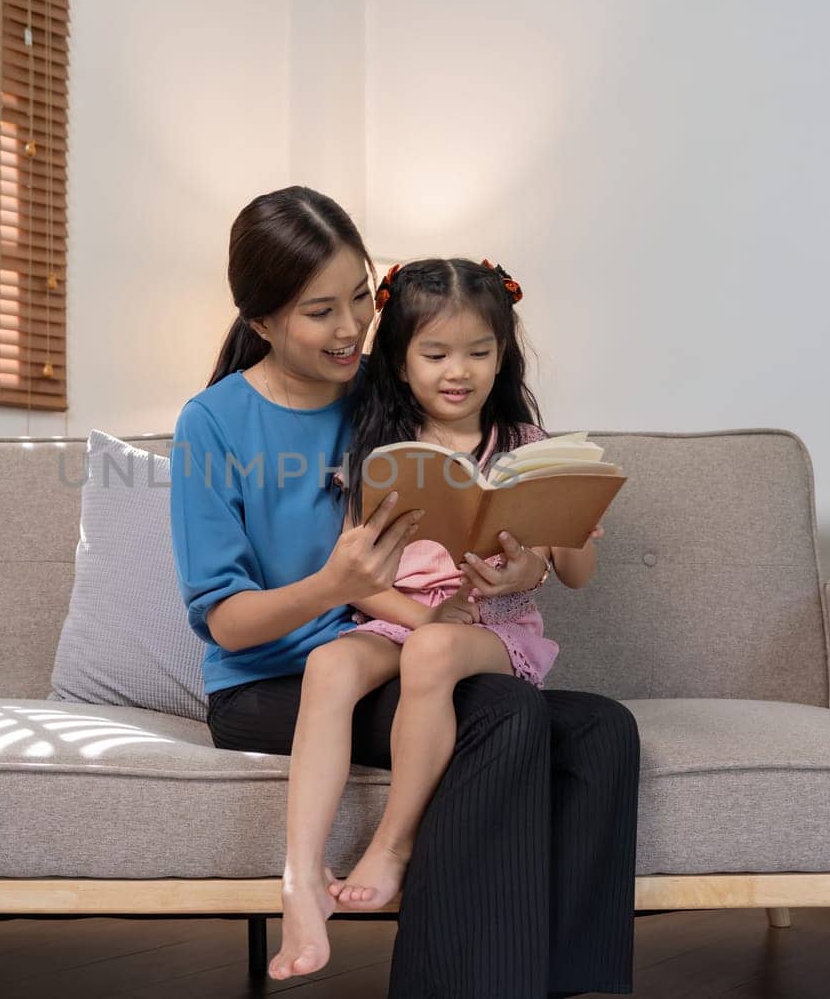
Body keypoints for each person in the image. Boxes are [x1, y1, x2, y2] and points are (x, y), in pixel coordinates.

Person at [170, 185, 639, 998]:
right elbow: (230, 625)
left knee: (602, 729)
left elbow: (529, 527)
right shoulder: (214, 424)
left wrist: (524, 565)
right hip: (273, 679)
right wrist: (336, 586)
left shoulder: (394, 395)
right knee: (504, 714)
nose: (351, 328)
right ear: (262, 321)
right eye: (321, 311)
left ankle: (574, 981)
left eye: (359, 297)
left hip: (410, 639)